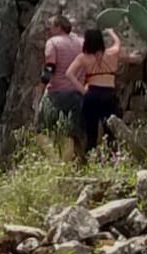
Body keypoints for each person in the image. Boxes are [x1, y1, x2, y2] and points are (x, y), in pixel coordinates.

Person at [68, 27, 122, 155]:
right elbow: (118, 44)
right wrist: (112, 33)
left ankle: (89, 159)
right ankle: (112, 159)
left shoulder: (83, 58)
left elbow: (69, 74)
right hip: (109, 94)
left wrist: (82, 90)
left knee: (90, 131)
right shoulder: (112, 53)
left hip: (92, 94)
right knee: (111, 131)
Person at [36, 17, 83, 140]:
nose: (48, 29)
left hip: (57, 94)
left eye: (51, 26)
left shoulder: (53, 42)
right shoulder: (81, 42)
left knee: (43, 131)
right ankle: (73, 157)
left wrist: (40, 88)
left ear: (59, 27)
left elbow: (50, 67)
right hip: (78, 95)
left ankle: (47, 157)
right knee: (72, 134)